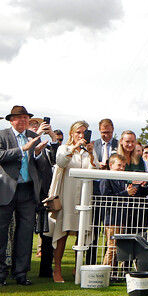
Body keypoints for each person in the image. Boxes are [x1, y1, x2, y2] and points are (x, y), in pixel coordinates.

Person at [0, 105, 54, 286]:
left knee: (25, 234)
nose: (23, 121)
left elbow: (41, 166)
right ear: (11, 120)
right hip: (5, 188)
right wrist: (23, 149)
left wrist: (38, 154)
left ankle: (21, 272)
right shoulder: (1, 135)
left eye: (26, 118)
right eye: (19, 118)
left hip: (27, 190)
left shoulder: (33, 137)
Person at [51, 120, 99, 282]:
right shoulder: (64, 148)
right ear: (72, 133)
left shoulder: (89, 151)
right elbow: (61, 162)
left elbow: (96, 170)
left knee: (82, 231)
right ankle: (57, 269)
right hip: (67, 194)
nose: (81, 136)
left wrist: (91, 153)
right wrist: (74, 147)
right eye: (78, 132)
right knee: (62, 231)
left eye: (83, 133)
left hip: (85, 196)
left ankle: (77, 267)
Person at [100, 152, 148, 267]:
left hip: (122, 218)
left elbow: (141, 193)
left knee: (120, 248)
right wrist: (126, 193)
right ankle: (106, 272)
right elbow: (106, 198)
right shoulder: (106, 178)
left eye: (123, 166)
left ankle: (115, 273)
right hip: (112, 219)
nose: (122, 168)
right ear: (110, 165)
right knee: (112, 248)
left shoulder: (123, 179)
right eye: (119, 165)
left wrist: (141, 186)